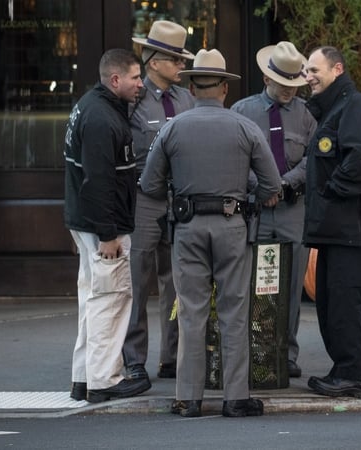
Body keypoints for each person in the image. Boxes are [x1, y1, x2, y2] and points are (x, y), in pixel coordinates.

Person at [140, 49, 282, 418]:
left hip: (187, 227)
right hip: (232, 225)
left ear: (191, 86)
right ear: (223, 88)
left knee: (191, 311)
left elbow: (150, 184)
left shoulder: (173, 127)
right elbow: (271, 185)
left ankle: (188, 398)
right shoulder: (245, 127)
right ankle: (236, 397)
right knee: (235, 311)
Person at [64, 48, 151, 403]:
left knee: (93, 298)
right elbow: (98, 182)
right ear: (115, 79)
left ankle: (84, 379)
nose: (140, 85)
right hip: (104, 227)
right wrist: (108, 235)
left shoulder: (89, 105)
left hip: (88, 223)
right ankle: (104, 381)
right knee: (110, 300)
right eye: (134, 78)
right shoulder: (102, 118)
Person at [302, 46, 361, 399]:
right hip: (334, 231)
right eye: (306, 70)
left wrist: (331, 192)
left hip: (352, 229)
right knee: (330, 305)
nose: (308, 76)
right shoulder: (332, 109)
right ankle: (343, 369)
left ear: (337, 69)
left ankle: (354, 375)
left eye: (314, 69)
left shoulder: (353, 106)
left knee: (346, 305)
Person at [230, 41, 316, 379]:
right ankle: (255, 350)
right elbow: (234, 158)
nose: (289, 91)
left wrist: (283, 186)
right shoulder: (242, 111)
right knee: (255, 282)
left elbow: (313, 159)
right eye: (284, 84)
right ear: (267, 79)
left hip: (293, 209)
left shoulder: (307, 114)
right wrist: (263, 187)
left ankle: (286, 353)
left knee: (292, 284)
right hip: (256, 211)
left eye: (295, 85)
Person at [123, 20, 195, 383]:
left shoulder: (185, 99)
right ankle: (134, 360)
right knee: (138, 280)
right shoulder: (134, 98)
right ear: (154, 62)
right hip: (144, 199)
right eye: (175, 60)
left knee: (176, 281)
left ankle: (172, 357)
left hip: (179, 198)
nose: (182, 65)